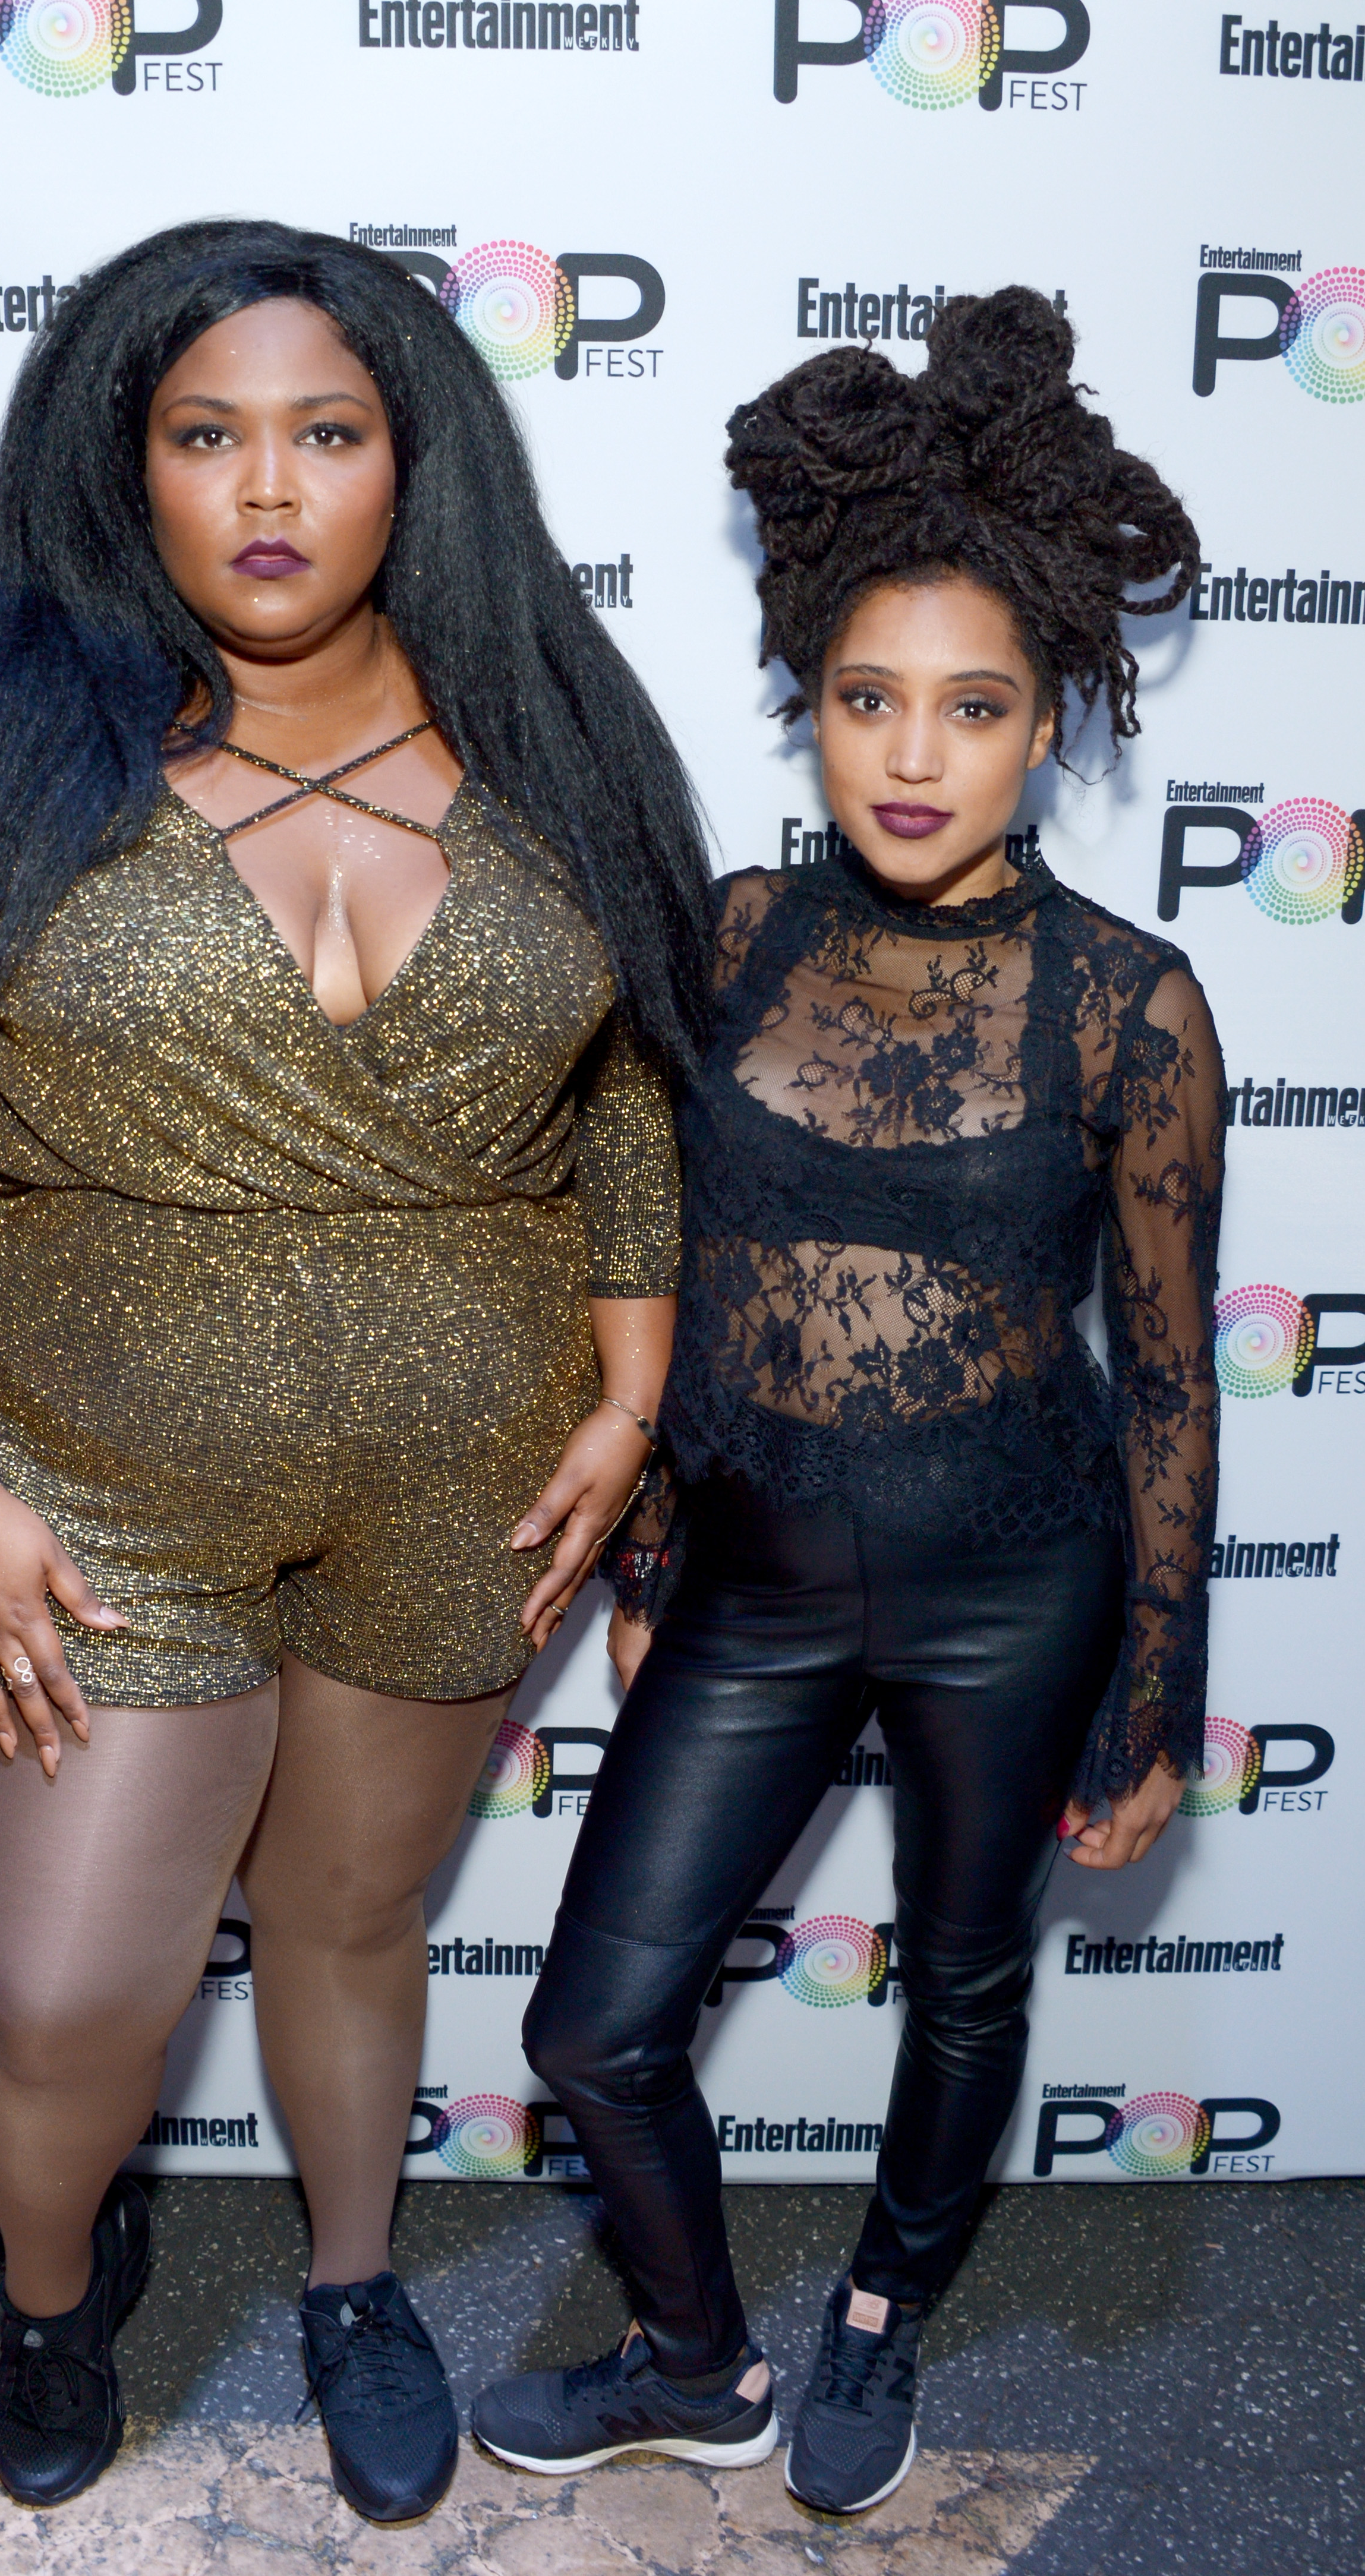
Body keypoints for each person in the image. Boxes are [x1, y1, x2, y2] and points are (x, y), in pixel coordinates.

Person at [0, 219, 711, 2523]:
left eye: (324, 432)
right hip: (86, 1475)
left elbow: (623, 1094)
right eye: (208, 435)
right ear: (127, 462)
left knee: (352, 1913)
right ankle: (54, 2280)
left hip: (469, 1471)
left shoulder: (544, 730)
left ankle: (352, 2273)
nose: (267, 489)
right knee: (77, 1984)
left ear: (416, 461)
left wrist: (627, 1400)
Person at [472, 287, 1222, 2517]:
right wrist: (652, 1550)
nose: (913, 754)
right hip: (761, 1576)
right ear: (809, 701)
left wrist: (1157, 1691)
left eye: (974, 708)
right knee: (588, 2029)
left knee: (970, 1988)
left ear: (1050, 722)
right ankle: (698, 2355)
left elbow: (1172, 1377)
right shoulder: (723, 941)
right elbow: (677, 1285)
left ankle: (882, 2313)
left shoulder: (1133, 1003)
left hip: (1023, 1584)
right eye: (870, 699)